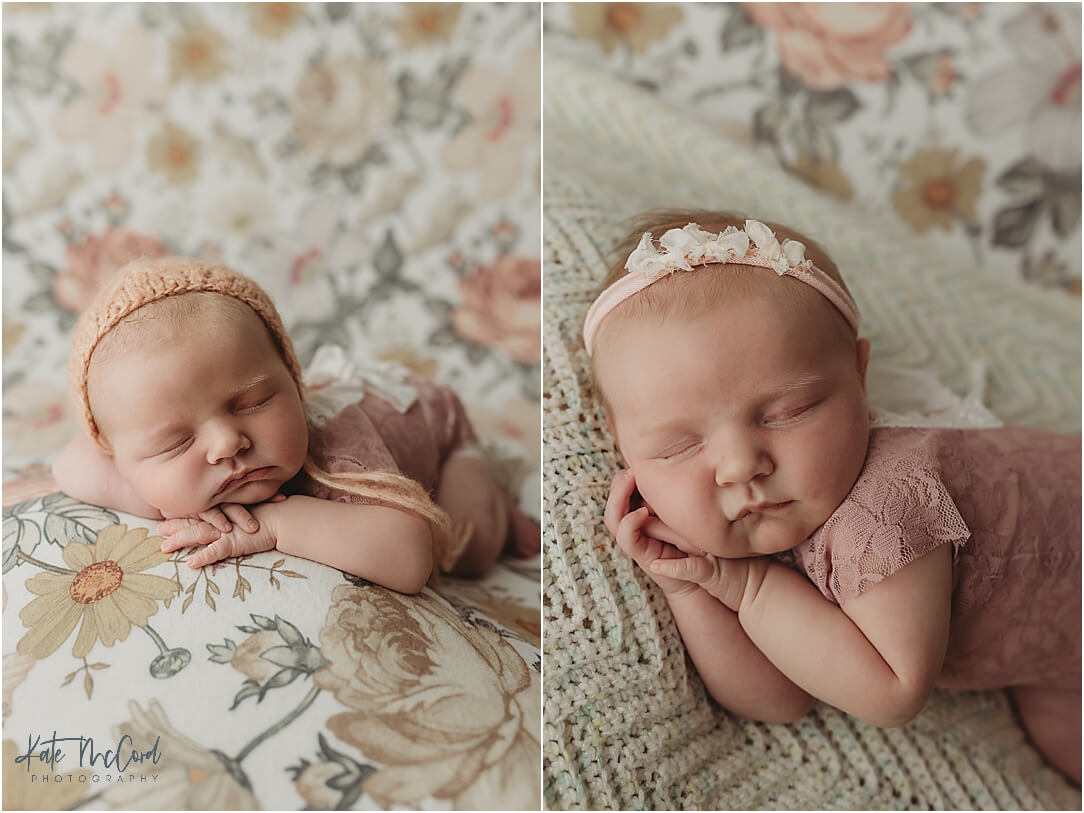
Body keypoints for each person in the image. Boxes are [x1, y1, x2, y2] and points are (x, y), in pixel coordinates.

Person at [586, 211, 1081, 783]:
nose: (741, 464)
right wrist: (692, 588)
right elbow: (782, 700)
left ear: (859, 376)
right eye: (677, 446)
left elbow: (889, 688)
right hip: (1052, 657)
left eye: (787, 413)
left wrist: (747, 587)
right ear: (618, 443)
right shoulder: (771, 515)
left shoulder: (887, 504)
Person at [53, 256, 539, 594]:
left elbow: (411, 555)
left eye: (253, 402)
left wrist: (276, 523)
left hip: (437, 422)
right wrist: (152, 496)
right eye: (176, 442)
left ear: (294, 378)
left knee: (470, 549)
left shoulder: (339, 454)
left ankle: (493, 480)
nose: (227, 442)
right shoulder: (143, 466)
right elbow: (69, 464)